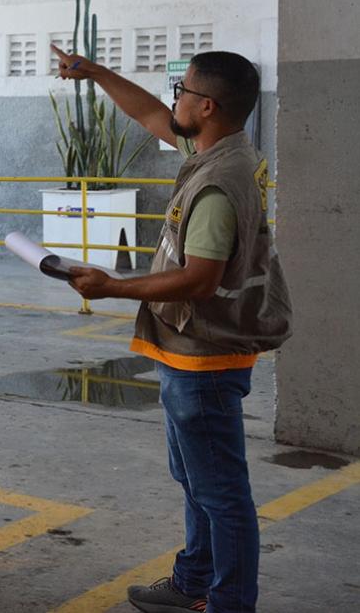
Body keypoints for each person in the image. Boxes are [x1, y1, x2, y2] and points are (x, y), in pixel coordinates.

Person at [51, 45, 291, 613]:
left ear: (206, 106)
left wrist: (110, 287)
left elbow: (199, 280)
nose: (172, 98)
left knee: (221, 495)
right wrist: (95, 72)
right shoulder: (218, 149)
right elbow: (148, 115)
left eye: (181, 90)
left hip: (203, 360)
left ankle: (229, 602)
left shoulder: (217, 183)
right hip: (188, 353)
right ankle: (192, 582)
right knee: (195, 480)